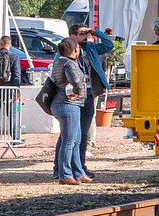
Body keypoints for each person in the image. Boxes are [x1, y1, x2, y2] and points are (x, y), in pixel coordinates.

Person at [46, 35, 91, 182]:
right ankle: (65, 174)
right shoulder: (69, 64)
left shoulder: (59, 62)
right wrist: (78, 91)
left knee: (75, 140)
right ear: (75, 49)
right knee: (69, 141)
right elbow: (76, 81)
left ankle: (78, 172)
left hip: (64, 104)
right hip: (68, 104)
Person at [73, 24, 115, 177]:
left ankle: (81, 166)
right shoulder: (67, 48)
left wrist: (96, 32)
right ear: (73, 36)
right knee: (71, 133)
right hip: (74, 95)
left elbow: (109, 45)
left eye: (86, 33)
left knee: (83, 131)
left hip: (90, 93)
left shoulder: (90, 47)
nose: (85, 35)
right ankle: (64, 167)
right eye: (81, 33)